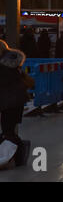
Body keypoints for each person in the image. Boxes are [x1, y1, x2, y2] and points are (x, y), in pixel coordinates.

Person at [0, 40, 33, 168]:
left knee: (8, 131)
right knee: (9, 130)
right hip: (16, 101)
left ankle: (18, 155)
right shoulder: (13, 65)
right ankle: (18, 157)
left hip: (9, 102)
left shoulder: (4, 67)